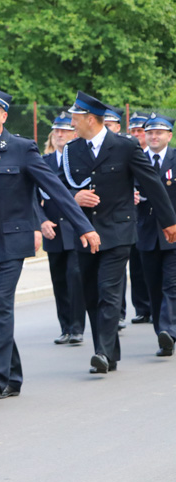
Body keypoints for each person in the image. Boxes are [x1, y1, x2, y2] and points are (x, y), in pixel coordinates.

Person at [0, 86, 99, 398]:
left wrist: (83, 227)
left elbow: (56, 190)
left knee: (1, 304)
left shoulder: (22, 148)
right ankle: (13, 377)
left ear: (3, 116)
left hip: (11, 244)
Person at [66, 91, 176, 373]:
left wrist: (169, 221)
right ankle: (109, 353)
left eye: (75, 118)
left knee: (109, 292)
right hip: (85, 232)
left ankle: (101, 353)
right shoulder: (71, 150)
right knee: (91, 294)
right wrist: (74, 197)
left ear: (90, 119)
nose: (71, 123)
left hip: (117, 231)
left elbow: (151, 182)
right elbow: (58, 187)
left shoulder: (124, 146)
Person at [36, 112, 86, 345]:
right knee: (59, 280)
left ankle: (77, 327)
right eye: (56, 130)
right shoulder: (42, 162)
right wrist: (41, 221)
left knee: (75, 277)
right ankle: (65, 327)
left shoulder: (80, 160)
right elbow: (31, 196)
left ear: (74, 134)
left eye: (64, 130)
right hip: (53, 229)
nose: (59, 134)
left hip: (76, 230)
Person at [135, 113, 176, 357]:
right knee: (153, 286)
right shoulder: (137, 159)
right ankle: (163, 334)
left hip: (172, 233)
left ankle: (168, 331)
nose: (153, 136)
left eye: (158, 132)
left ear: (169, 136)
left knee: (171, 285)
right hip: (146, 233)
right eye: (149, 132)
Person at [127, 112, 153, 325]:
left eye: (140, 131)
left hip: (152, 215)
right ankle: (142, 308)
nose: (136, 135)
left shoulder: (151, 154)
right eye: (133, 131)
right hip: (133, 216)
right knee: (135, 265)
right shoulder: (127, 153)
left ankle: (156, 307)